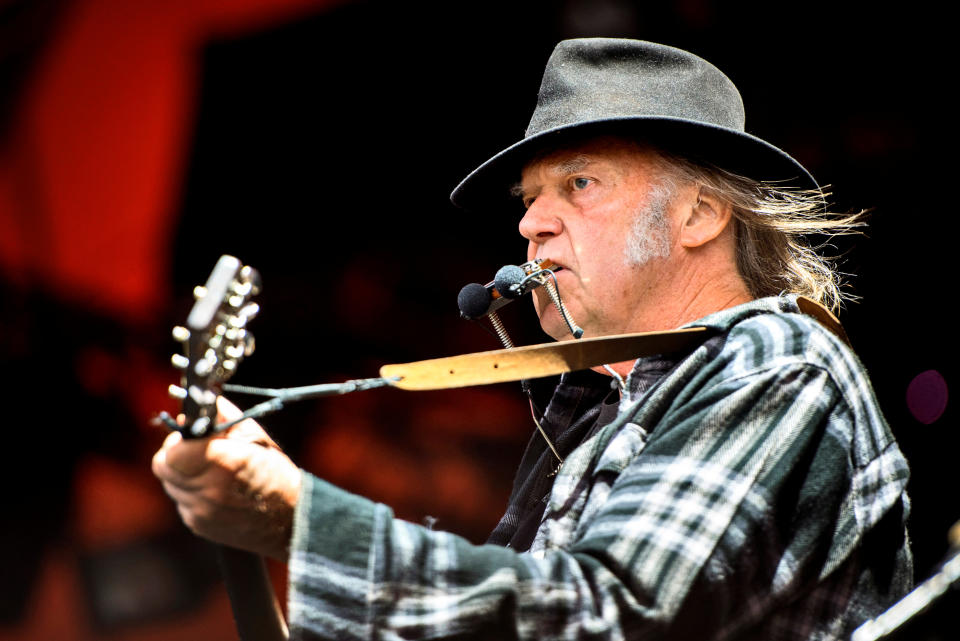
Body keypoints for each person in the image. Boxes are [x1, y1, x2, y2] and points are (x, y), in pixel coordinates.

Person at [153, 38, 912, 640]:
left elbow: (608, 616)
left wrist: (305, 523)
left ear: (700, 215)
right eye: (530, 197)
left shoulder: (775, 359)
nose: (529, 224)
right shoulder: (597, 420)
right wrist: (264, 532)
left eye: (578, 184)